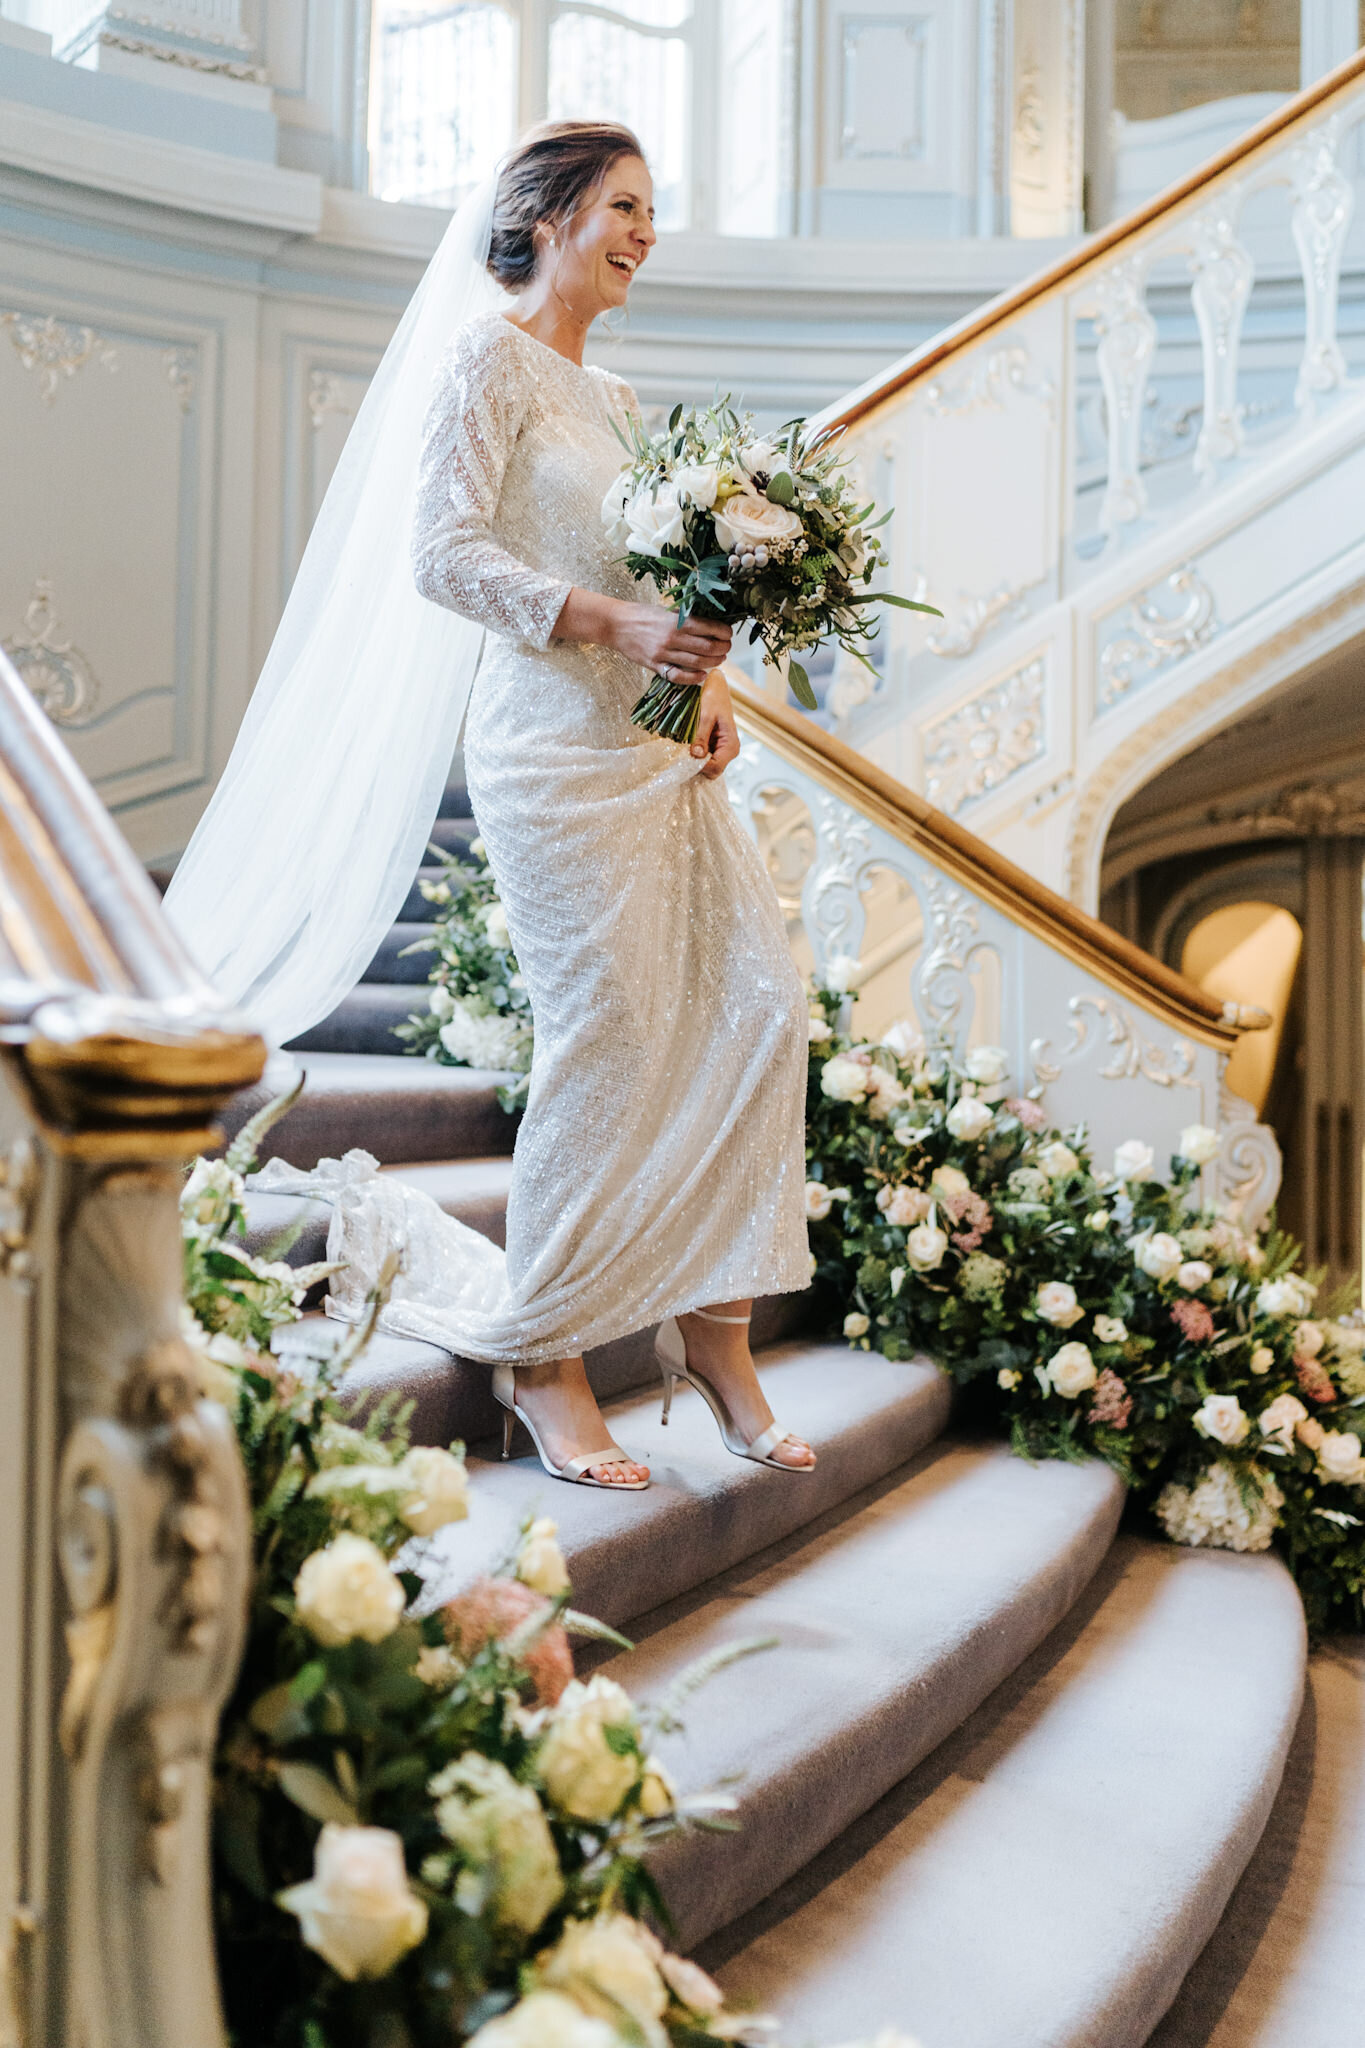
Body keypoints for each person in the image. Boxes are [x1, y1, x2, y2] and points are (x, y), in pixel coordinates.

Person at [169, 121, 814, 1488]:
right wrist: (610, 628)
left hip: (649, 747)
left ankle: (714, 1329)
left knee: (756, 1006)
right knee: (608, 1032)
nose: (646, 232)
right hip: (545, 752)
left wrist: (697, 689)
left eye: (655, 212)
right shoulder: (485, 360)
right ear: (546, 213)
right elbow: (443, 554)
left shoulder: (624, 404)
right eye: (625, 206)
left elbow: (665, 597)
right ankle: (548, 1355)